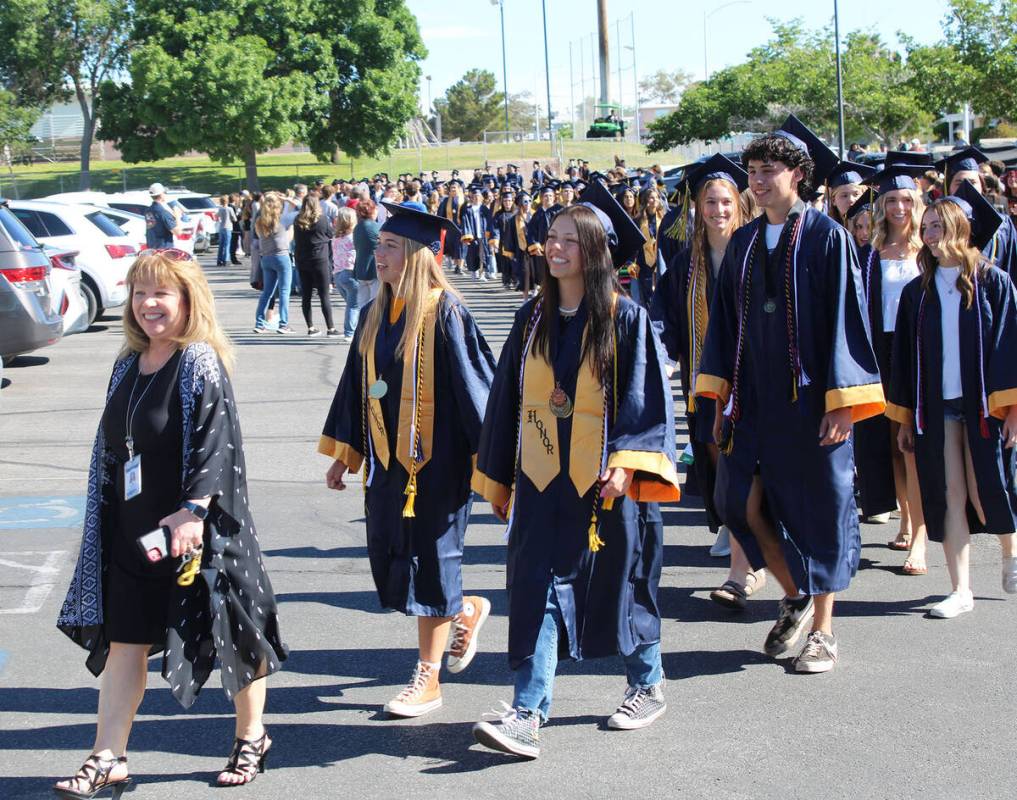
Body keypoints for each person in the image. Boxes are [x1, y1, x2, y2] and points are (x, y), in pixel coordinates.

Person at [54, 250, 287, 797]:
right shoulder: (128, 364)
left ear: (187, 299)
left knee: (234, 633)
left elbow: (217, 442)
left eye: (161, 293)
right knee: (124, 643)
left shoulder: (199, 360)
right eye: (139, 293)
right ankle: (106, 755)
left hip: (201, 530)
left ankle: (251, 737)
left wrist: (194, 511)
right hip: (135, 532)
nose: (148, 305)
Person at [470, 180, 681, 759]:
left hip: (605, 482)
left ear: (594, 250)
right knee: (534, 585)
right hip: (541, 477)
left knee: (621, 582)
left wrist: (625, 462)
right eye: (552, 237)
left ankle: (647, 683)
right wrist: (500, 478)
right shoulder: (532, 318)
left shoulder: (627, 319)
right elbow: (506, 403)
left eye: (568, 239)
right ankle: (527, 712)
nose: (553, 248)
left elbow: (645, 398)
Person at [695, 115, 884, 674]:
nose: (757, 180)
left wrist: (843, 403)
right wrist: (719, 396)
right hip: (753, 401)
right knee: (739, 502)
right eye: (752, 170)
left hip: (812, 403)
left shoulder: (827, 237)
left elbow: (849, 322)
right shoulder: (748, 241)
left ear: (798, 175)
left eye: (769, 170)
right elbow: (725, 323)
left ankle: (823, 633)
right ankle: (795, 592)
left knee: (819, 510)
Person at [319, 201, 497, 717]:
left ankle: (428, 679)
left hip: (438, 468)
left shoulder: (446, 312)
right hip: (386, 464)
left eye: (392, 246)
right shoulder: (376, 312)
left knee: (432, 563)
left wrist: (493, 469)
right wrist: (344, 454)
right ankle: (463, 609)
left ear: (418, 254)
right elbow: (357, 386)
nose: (379, 253)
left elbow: (476, 392)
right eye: (380, 245)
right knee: (394, 563)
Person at [888, 190, 1017, 618]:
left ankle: (1010, 553)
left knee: (987, 488)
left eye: (937, 225)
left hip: (983, 404)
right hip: (935, 405)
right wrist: (905, 417)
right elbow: (904, 360)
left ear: (960, 228)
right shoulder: (917, 293)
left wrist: (1013, 408)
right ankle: (961, 590)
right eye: (926, 227)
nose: (928, 233)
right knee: (949, 492)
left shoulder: (992, 280)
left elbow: (1010, 346)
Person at [651, 154, 765, 610]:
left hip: (757, 385)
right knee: (722, 475)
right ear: (696, 208)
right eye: (709, 202)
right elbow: (663, 320)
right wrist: (660, 358)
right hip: (706, 389)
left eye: (725, 202)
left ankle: (742, 572)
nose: (717, 210)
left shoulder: (758, 255)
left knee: (744, 475)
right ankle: (744, 555)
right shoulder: (685, 266)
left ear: (740, 205)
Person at [853, 158, 930, 572]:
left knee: (912, 444)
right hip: (880, 352)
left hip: (917, 350)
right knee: (890, 445)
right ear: (881, 205)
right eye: (891, 200)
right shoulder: (870, 254)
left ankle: (920, 535)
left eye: (906, 199)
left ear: (916, 203)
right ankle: (905, 514)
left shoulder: (928, 251)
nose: (898, 208)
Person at [936, 146, 1017, 280]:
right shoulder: (936, 223)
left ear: (982, 186)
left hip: (993, 297)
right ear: (948, 188)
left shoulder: (1002, 225)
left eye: (973, 182)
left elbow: (1013, 269)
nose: (967, 187)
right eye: (959, 182)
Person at [293, 194, 337, 336]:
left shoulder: (298, 220)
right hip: (319, 259)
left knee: (306, 295)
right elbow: (330, 234)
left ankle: (310, 327)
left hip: (302, 259)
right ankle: (330, 327)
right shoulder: (322, 219)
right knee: (324, 295)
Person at [253, 193, 295, 334]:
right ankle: (283, 324)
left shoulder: (259, 220)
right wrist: (288, 199)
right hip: (281, 256)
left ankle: (259, 323)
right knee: (284, 292)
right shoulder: (282, 219)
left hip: (266, 257)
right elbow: (300, 210)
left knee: (267, 293)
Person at [629, 185, 666, 307]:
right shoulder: (638, 220)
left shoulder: (665, 218)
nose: (654, 200)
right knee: (647, 297)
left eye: (656, 197)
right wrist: (632, 262)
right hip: (644, 264)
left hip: (661, 261)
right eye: (651, 198)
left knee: (662, 293)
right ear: (645, 201)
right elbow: (634, 243)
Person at [525, 184, 562, 291]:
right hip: (541, 249)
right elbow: (530, 232)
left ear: (554, 197)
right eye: (546, 196)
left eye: (550, 196)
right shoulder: (537, 214)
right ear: (541, 198)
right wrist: (535, 246)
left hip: (557, 248)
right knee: (543, 272)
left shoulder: (559, 211)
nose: (548, 198)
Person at [331, 207, 360, 341]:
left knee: (350, 304)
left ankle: (352, 329)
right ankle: (350, 332)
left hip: (338, 274)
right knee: (354, 305)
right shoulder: (353, 237)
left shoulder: (336, 238)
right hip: (350, 272)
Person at [462, 184, 496, 281]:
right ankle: (473, 272)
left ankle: (482, 274)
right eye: (474, 196)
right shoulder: (468, 210)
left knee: (483, 254)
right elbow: (465, 223)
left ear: (481, 197)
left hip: (483, 235)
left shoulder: (484, 209)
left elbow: (490, 222)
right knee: (472, 254)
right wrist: (466, 236)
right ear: (472, 198)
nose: (476, 198)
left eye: (478, 196)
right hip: (472, 235)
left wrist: (490, 234)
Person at [826, 162, 876, 227]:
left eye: (856, 194)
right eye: (844, 195)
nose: (851, 200)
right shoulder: (828, 230)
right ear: (833, 200)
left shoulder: (874, 229)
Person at [493, 186, 525, 290]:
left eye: (510, 201)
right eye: (505, 201)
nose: (507, 203)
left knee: (515, 261)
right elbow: (495, 228)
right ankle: (506, 281)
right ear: (502, 202)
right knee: (505, 262)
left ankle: (516, 279)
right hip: (503, 242)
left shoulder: (517, 213)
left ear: (513, 201)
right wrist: (496, 241)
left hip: (516, 242)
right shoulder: (498, 214)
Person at [439, 180, 466, 274]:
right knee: (454, 248)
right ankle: (456, 266)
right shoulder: (446, 200)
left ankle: (460, 267)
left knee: (461, 247)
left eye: (455, 188)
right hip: (450, 228)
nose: (453, 189)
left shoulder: (464, 200)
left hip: (461, 228)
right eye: (451, 188)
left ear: (459, 189)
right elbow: (441, 213)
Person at [144, 183, 181, 249]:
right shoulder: (163, 213)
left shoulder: (148, 211)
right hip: (164, 251)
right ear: (161, 194)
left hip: (152, 249)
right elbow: (178, 232)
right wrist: (178, 216)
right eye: (164, 192)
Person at [215, 194, 236, 267]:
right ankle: (226, 260)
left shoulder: (220, 209)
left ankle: (219, 260)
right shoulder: (230, 209)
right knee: (227, 245)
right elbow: (234, 218)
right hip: (228, 227)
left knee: (221, 245)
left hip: (221, 227)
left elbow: (216, 216)